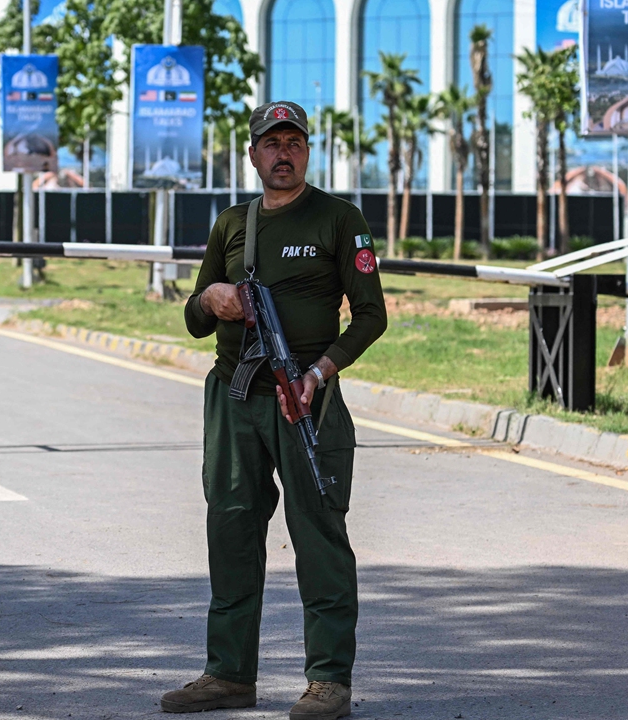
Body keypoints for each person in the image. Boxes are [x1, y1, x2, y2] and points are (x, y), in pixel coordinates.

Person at [162, 101, 386, 720]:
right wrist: (212, 296)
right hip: (235, 395)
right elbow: (192, 319)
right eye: (271, 143)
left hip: (304, 400)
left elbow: (372, 315)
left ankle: (328, 682)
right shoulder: (234, 224)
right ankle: (229, 675)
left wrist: (320, 372)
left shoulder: (341, 219)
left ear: (308, 152)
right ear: (253, 153)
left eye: (293, 142)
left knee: (319, 535)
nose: (282, 153)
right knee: (231, 531)